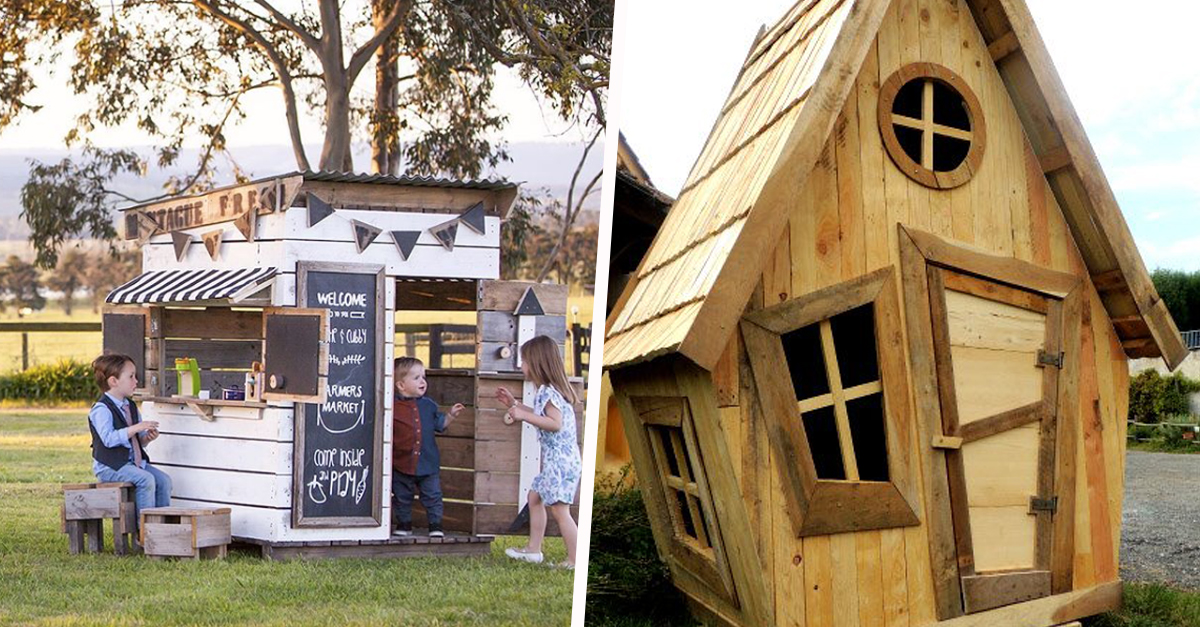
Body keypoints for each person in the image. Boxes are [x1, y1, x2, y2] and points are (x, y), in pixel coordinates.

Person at [495, 335, 582, 569]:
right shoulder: (549, 390)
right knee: (535, 497)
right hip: (562, 461)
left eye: (524, 361)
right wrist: (514, 404)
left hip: (559, 463)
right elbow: (540, 414)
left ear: (537, 363)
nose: (521, 365)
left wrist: (522, 415)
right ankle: (533, 550)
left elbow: (554, 423)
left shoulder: (548, 391)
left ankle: (575, 560)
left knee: (561, 510)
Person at [88, 353, 171, 533]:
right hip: (110, 467)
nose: (136, 381)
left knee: (164, 480)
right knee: (146, 479)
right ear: (113, 381)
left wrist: (145, 438)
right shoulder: (101, 409)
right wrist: (135, 428)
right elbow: (108, 439)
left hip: (132, 463)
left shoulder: (130, 406)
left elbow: (135, 440)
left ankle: (163, 530)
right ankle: (145, 533)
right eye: (131, 376)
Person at [392, 356, 465, 537]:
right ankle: (404, 524)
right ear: (401, 385)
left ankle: (435, 525)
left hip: (427, 462)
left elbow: (440, 425)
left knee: (432, 496)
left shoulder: (429, 405)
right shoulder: (392, 406)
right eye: (416, 378)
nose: (423, 381)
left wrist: (451, 416)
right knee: (402, 496)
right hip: (401, 462)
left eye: (423, 377)